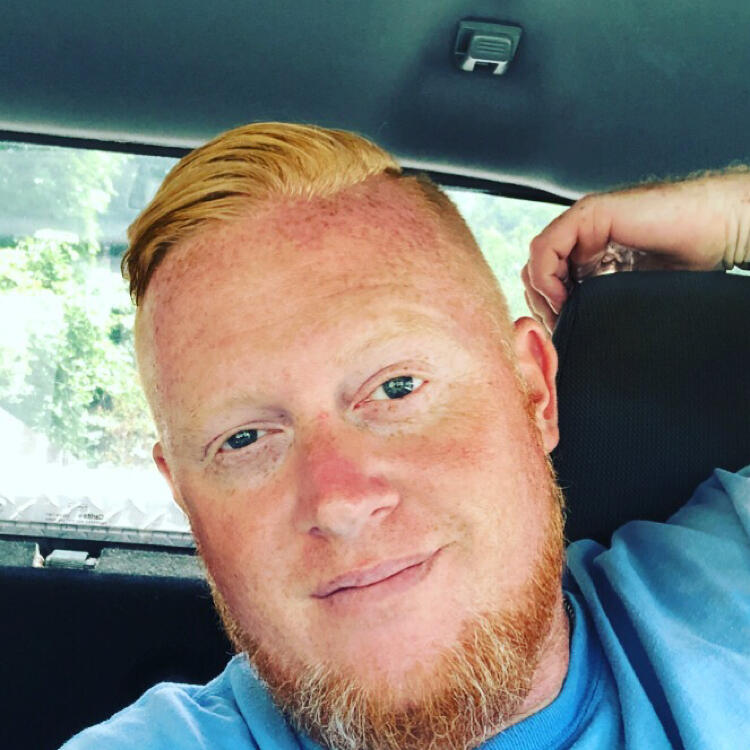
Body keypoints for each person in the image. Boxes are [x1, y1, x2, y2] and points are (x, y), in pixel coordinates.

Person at [61, 123, 750, 750]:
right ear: (185, 497)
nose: (339, 500)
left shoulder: (726, 589)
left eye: (396, 387)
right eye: (243, 440)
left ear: (534, 393)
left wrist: (735, 219)